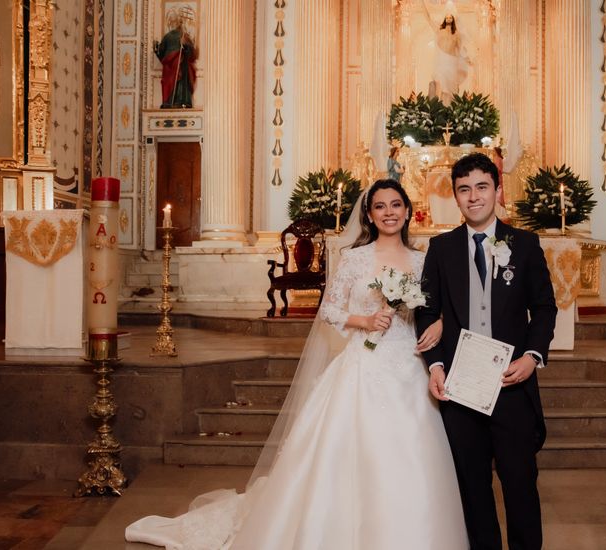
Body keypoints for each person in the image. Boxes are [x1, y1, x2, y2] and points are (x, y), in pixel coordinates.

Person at [125, 179, 469, 549]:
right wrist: (365, 321)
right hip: (363, 364)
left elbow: (440, 307)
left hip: (409, 363)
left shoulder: (424, 259)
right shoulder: (355, 258)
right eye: (381, 206)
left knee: (415, 451)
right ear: (369, 215)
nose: (389, 213)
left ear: (407, 210)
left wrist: (440, 322)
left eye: (396, 205)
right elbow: (330, 310)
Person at [417, 153, 557, 550]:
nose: (473, 197)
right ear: (455, 197)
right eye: (464, 190)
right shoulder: (441, 248)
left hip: (511, 385)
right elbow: (427, 308)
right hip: (461, 387)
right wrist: (436, 364)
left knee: (520, 487)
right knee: (473, 491)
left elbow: (545, 307)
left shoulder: (525, 245)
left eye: (481, 187)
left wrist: (532, 357)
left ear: (497, 190)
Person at [421, 1, 472, 102]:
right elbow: (428, 19)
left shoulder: (456, 35)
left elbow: (461, 49)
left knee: (451, 89)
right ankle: (438, 108)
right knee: (440, 85)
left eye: (450, 17)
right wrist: (423, 5)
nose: (449, 19)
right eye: (447, 17)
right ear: (444, 19)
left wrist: (467, 59)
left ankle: (450, 110)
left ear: (453, 20)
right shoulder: (440, 31)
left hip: (452, 63)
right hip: (442, 62)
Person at [154, 8, 198, 108]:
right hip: (176, 64)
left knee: (175, 83)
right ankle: (175, 101)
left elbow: (161, 53)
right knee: (176, 82)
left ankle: (172, 102)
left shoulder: (177, 36)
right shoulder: (181, 36)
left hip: (177, 65)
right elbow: (191, 52)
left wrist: (156, 50)